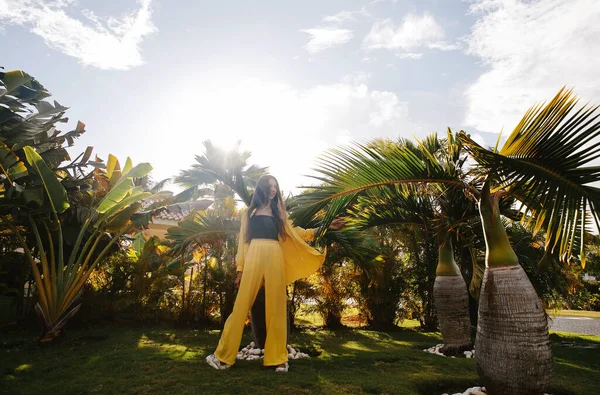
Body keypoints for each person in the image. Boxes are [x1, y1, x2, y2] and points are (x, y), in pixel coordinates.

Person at [206, 175, 343, 372]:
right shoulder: (248, 214)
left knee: (277, 308)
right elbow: (243, 243)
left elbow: (298, 233)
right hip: (253, 255)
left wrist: (326, 227)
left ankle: (277, 358)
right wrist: (240, 270)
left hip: (274, 256)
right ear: (261, 188)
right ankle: (224, 356)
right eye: (269, 186)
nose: (272, 190)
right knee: (241, 306)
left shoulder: (279, 214)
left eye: (275, 187)